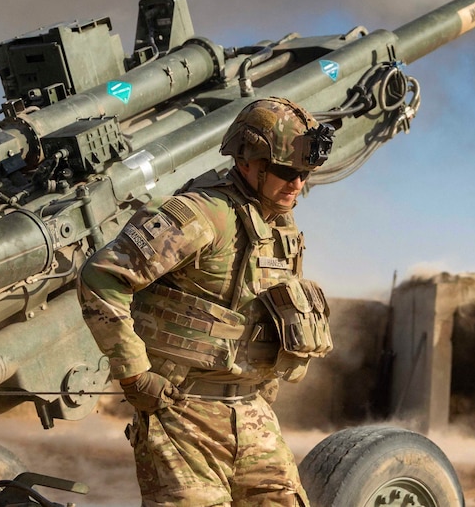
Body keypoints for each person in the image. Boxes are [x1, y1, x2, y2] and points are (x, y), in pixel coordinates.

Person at [78, 97, 336, 506]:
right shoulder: (201, 215)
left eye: (305, 174)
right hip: (183, 415)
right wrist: (134, 375)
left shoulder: (279, 226)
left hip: (251, 413)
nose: (297, 184)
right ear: (248, 161)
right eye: (287, 172)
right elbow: (101, 276)